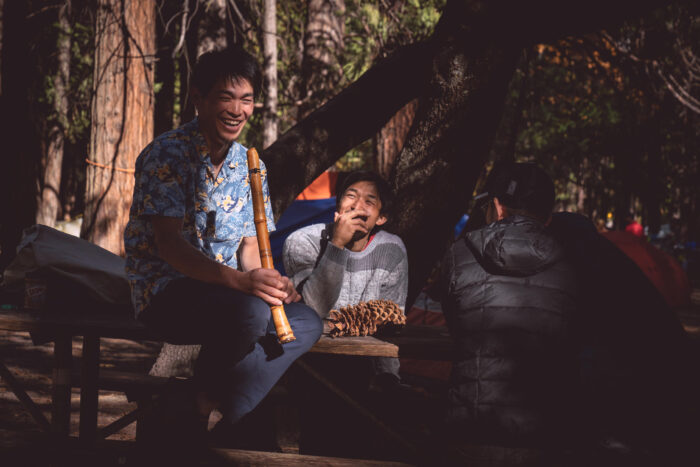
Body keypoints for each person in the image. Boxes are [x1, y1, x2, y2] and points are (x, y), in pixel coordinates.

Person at [123, 48, 322, 444]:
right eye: (225, 97)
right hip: (167, 292)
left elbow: (250, 248)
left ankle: (202, 401)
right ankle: (214, 414)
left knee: (306, 322)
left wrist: (267, 280)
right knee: (250, 314)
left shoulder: (250, 164)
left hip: (230, 297)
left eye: (246, 99)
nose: (237, 110)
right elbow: (170, 247)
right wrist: (245, 287)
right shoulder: (167, 154)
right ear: (198, 98)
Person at [440, 162, 580, 448]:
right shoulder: (572, 263)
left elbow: (456, 324)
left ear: (497, 207)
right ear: (548, 216)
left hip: (470, 421)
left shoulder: (460, 253)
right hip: (546, 428)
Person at [282, 171, 408, 390]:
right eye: (351, 196)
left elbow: (390, 317)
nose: (357, 206)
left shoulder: (391, 249)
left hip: (364, 364)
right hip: (305, 360)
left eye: (370, 201)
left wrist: (387, 376)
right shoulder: (303, 241)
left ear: (381, 218)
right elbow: (311, 311)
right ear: (338, 207)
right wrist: (337, 245)